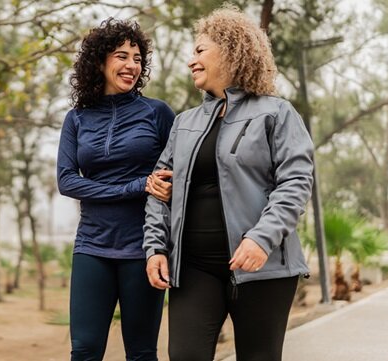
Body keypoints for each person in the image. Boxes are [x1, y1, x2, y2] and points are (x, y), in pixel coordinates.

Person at [143, 6, 314, 361]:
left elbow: (295, 182)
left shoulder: (276, 113)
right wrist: (155, 248)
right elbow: (159, 189)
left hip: (262, 267)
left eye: (200, 50)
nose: (191, 60)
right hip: (193, 268)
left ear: (231, 50)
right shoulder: (184, 123)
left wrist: (260, 238)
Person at [57, 18, 175, 361]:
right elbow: (67, 181)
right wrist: (136, 186)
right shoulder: (77, 118)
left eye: (137, 59)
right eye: (122, 56)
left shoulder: (157, 113)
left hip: (143, 246)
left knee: (141, 353)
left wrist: (158, 193)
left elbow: (174, 175)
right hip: (92, 245)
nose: (131, 66)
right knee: (84, 350)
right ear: (99, 61)